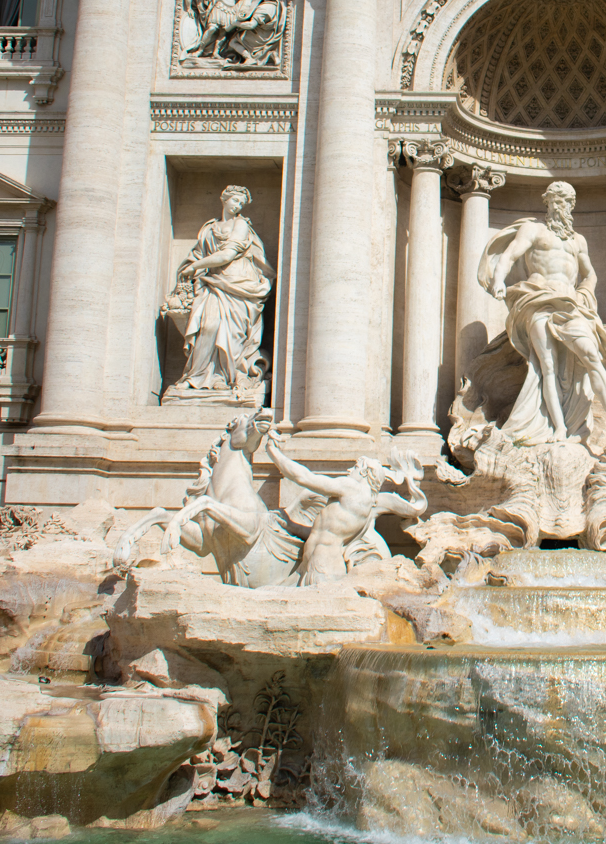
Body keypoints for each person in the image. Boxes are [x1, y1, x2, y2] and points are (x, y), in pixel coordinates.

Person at [480, 181, 606, 443]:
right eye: (555, 200)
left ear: (572, 206)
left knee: (591, 355)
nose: (559, 205)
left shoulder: (577, 241)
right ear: (547, 203)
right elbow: (509, 255)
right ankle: (559, 427)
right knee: (546, 365)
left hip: (570, 304)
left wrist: (585, 294)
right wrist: (498, 282)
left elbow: (590, 274)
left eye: (565, 201)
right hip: (537, 300)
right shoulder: (533, 230)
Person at [265, 439, 426, 585]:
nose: (350, 470)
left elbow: (304, 477)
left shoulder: (352, 488)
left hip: (323, 567)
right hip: (313, 565)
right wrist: (292, 526)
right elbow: (325, 532)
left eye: (355, 467)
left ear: (364, 472)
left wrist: (274, 452)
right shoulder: (368, 505)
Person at [169, 185, 273, 394]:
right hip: (213, 282)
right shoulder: (209, 228)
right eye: (235, 200)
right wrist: (192, 268)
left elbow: (226, 256)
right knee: (207, 327)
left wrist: (194, 267)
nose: (238, 205)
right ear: (224, 199)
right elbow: (198, 253)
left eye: (242, 203)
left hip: (237, 284)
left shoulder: (241, 224)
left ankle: (225, 378)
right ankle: (198, 376)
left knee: (232, 332)